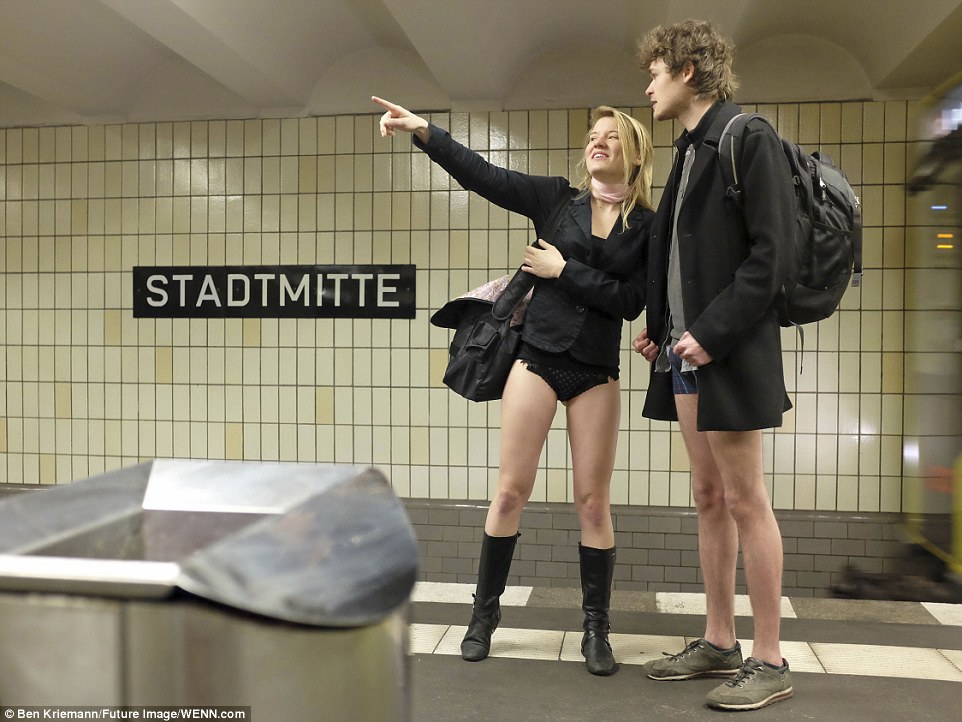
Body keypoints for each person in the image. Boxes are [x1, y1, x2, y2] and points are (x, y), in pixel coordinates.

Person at [373, 95, 654, 676]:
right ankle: (483, 617)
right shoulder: (557, 200)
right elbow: (484, 177)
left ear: (634, 153)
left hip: (596, 371)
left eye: (610, 136)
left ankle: (596, 630)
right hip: (538, 357)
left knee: (593, 503)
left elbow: (630, 303)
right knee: (509, 493)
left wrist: (564, 272)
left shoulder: (646, 226)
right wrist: (425, 132)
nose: (596, 142)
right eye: (592, 135)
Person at [632, 20, 795, 711]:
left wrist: (709, 332)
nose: (648, 85)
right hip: (687, 352)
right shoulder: (692, 151)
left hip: (727, 352)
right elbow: (681, 259)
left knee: (745, 498)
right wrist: (660, 327)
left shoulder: (745, 138)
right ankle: (719, 639)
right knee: (708, 497)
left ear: (689, 71)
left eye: (656, 72)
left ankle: (769, 658)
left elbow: (772, 256)